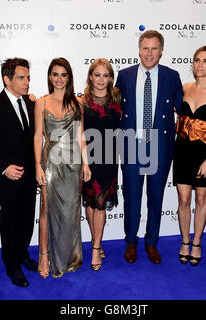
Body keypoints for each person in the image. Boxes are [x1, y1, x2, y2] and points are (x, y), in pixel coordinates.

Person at [115, 30, 183, 264]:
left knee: (156, 197)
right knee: (132, 197)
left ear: (161, 51)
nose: (149, 53)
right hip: (132, 146)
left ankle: (151, 242)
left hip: (160, 147)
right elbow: (109, 106)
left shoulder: (172, 77)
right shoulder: (124, 76)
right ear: (139, 49)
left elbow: (185, 109)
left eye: (154, 48)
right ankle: (131, 241)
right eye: (145, 48)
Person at [0, 58, 37, 288]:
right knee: (10, 219)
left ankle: (22, 254)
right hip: (8, 176)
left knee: (26, 219)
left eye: (28, 77)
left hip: (30, 174)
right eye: (22, 78)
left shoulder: (31, 103)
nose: (27, 82)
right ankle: (11, 264)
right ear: (7, 79)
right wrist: (3, 168)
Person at [34, 57, 91, 278]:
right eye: (55, 74)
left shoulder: (77, 104)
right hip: (50, 161)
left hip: (73, 163)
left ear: (69, 77)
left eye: (63, 75)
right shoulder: (41, 102)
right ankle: (44, 256)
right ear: (50, 76)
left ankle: (69, 256)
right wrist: (38, 166)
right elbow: (38, 136)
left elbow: (80, 136)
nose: (59, 79)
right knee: (46, 210)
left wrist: (86, 163)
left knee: (71, 212)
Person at [172, 46, 206, 266]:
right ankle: (185, 241)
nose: (200, 65)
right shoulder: (184, 88)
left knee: (201, 199)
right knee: (183, 200)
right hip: (183, 150)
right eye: (197, 60)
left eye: (205, 61)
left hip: (205, 154)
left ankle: (197, 242)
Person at [81, 58, 122, 271]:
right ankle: (96, 239)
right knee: (90, 202)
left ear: (110, 78)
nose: (101, 79)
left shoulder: (118, 100)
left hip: (109, 158)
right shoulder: (82, 101)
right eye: (97, 75)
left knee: (100, 202)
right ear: (90, 76)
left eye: (105, 75)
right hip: (88, 158)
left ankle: (96, 247)